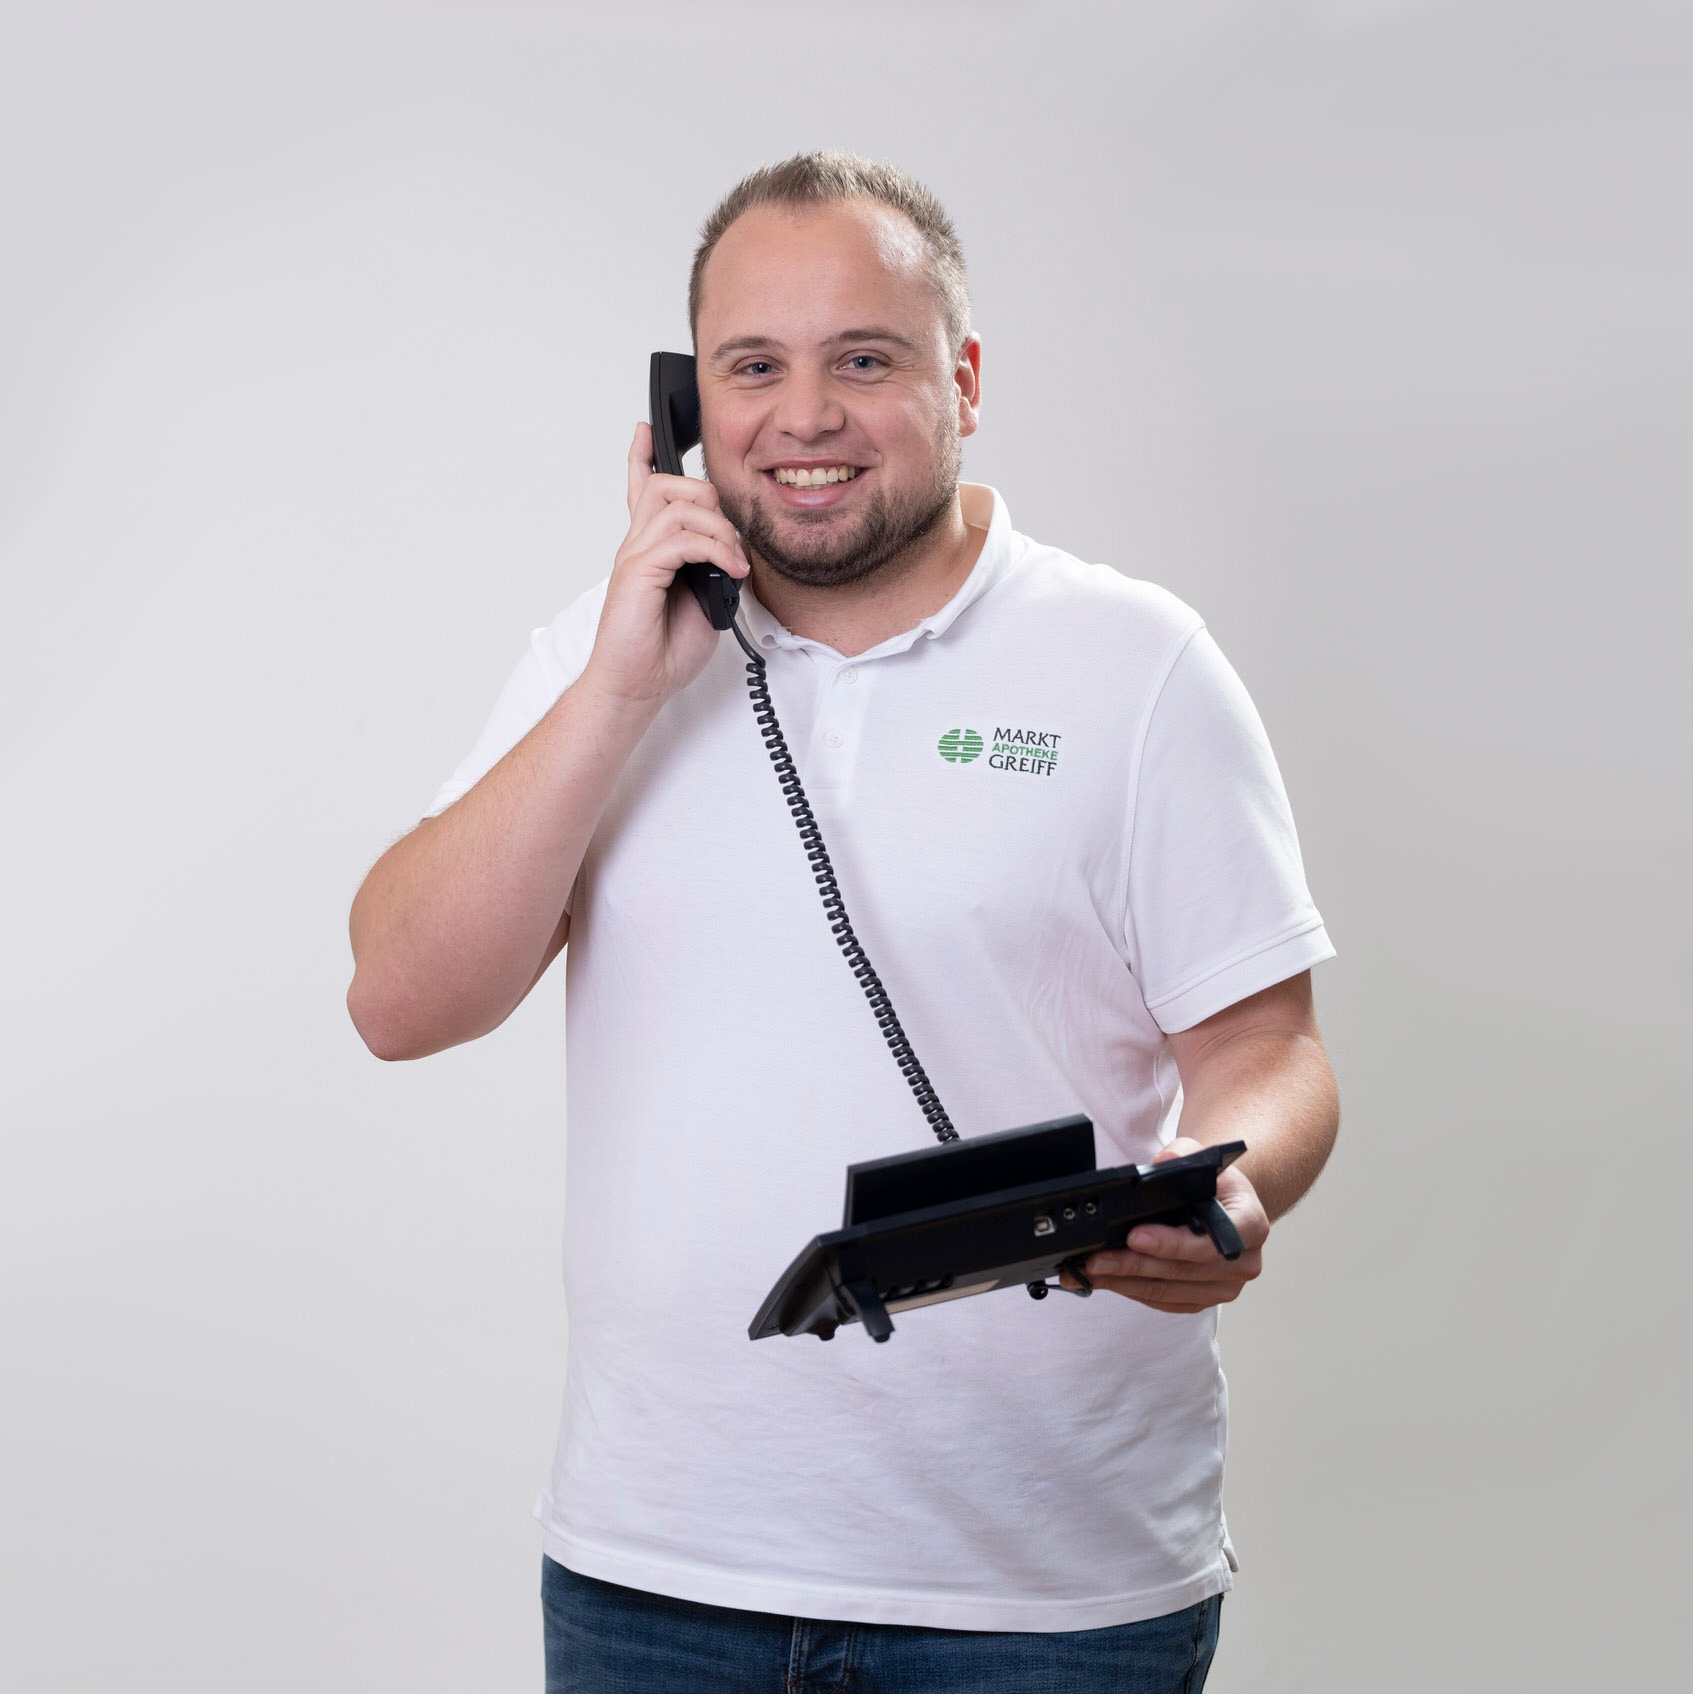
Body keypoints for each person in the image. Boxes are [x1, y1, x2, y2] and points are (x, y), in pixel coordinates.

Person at [347, 151, 1340, 1694]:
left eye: (862, 360)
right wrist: (620, 687)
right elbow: (399, 1001)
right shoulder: (597, 663)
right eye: (753, 365)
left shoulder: (1135, 663)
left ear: (963, 379)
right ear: (686, 402)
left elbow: (1268, 1048)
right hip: (659, 1575)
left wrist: (1233, 1180)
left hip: (1049, 1596)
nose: (802, 415)